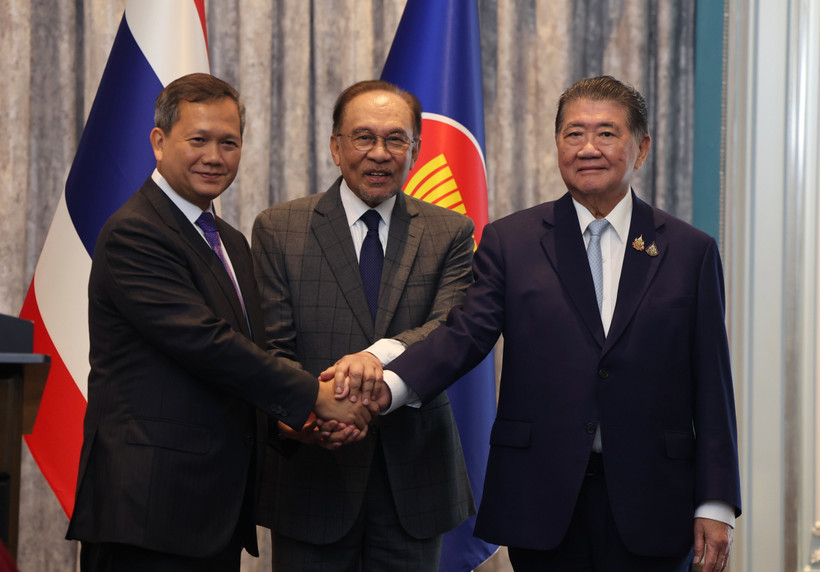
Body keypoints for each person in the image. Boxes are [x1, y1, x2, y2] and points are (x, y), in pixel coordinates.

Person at [367, 75, 741, 571]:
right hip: (541, 497)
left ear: (642, 148)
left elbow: (712, 384)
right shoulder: (512, 241)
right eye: (573, 133)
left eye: (606, 133)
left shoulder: (690, 250)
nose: (588, 148)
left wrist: (716, 502)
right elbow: (464, 335)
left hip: (655, 500)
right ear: (557, 144)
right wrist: (387, 386)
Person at [66, 73, 370, 572]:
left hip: (211, 509)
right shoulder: (134, 233)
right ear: (159, 142)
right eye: (198, 140)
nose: (214, 156)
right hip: (147, 511)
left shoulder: (230, 240)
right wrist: (314, 397)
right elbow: (208, 344)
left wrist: (293, 423)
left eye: (228, 142)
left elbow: (250, 353)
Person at [251, 79, 476, 571]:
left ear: (415, 150)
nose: (379, 153)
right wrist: (310, 416)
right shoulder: (279, 228)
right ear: (336, 147)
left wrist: (376, 361)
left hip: (415, 478)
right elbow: (273, 346)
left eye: (396, 139)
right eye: (363, 137)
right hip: (313, 474)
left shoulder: (452, 231)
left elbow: (451, 328)